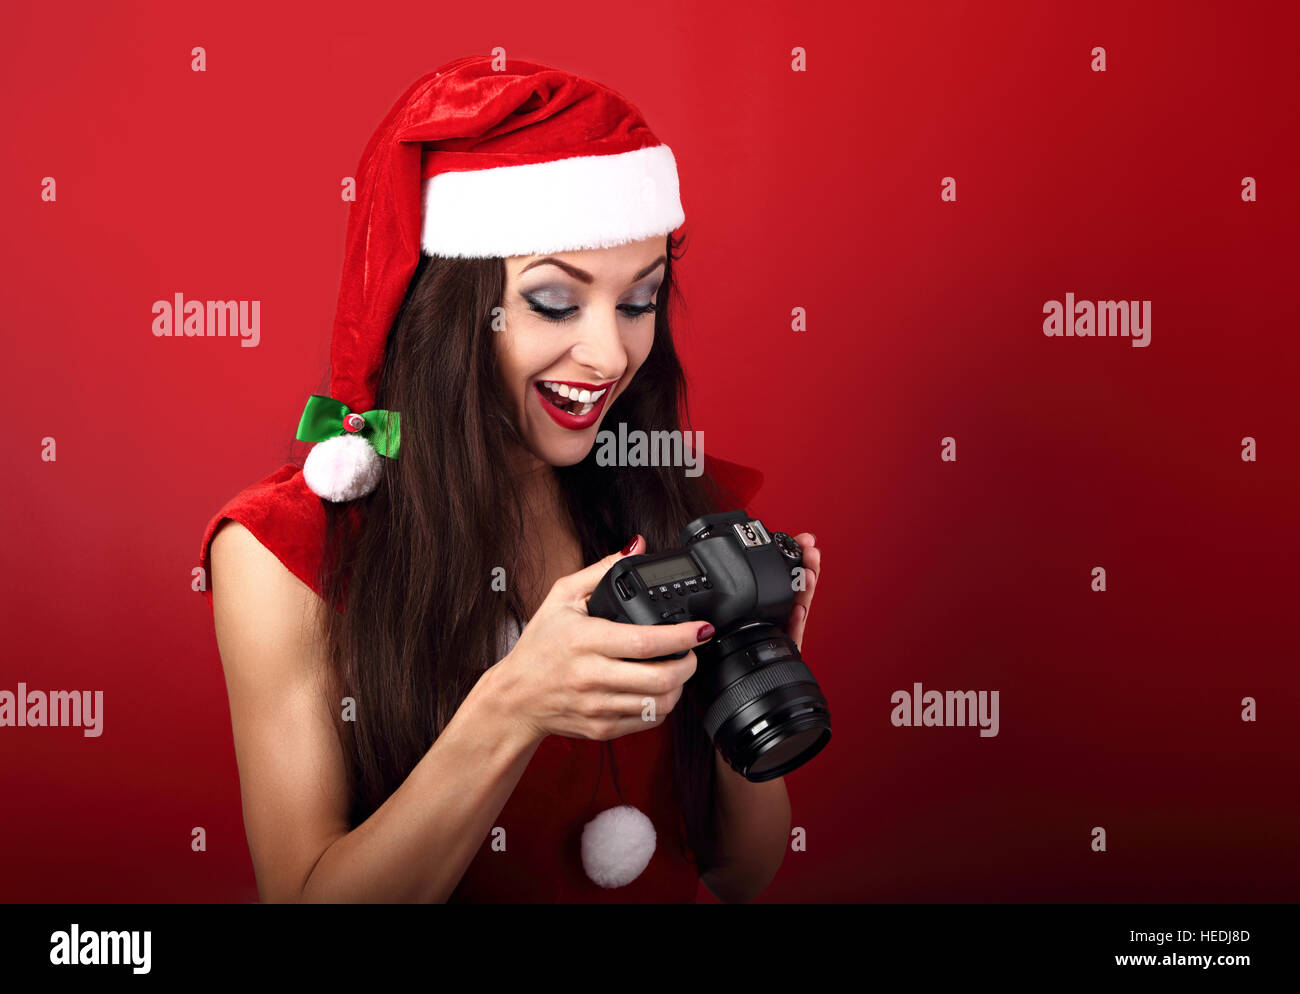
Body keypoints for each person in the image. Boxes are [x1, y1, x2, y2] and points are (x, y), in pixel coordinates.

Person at [197, 55, 822, 903]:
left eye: (639, 302)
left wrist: (754, 669)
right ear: (446, 313)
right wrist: (512, 706)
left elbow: (740, 874)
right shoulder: (284, 553)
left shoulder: (671, 498)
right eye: (556, 303)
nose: (609, 357)